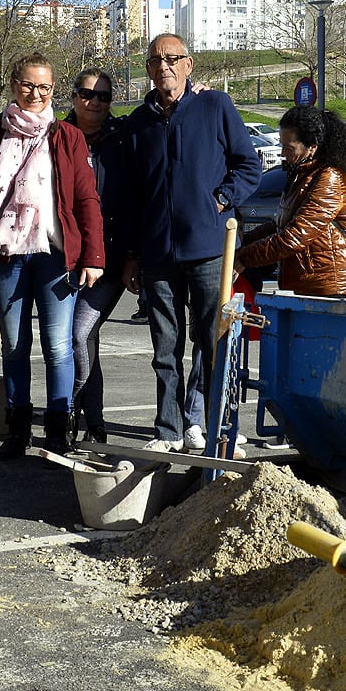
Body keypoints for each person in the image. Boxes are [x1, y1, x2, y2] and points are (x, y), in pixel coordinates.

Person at [0, 53, 105, 459]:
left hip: (55, 257)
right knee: (14, 346)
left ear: (53, 89)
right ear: (12, 84)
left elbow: (86, 199)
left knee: (58, 347)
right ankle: (17, 431)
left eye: (44, 87)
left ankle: (58, 431)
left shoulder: (67, 137)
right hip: (7, 255)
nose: (35, 94)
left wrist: (94, 256)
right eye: (27, 85)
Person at [121, 33, 262, 453]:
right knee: (165, 348)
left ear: (189, 64)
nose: (163, 65)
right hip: (157, 255)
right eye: (155, 60)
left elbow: (249, 166)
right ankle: (168, 430)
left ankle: (220, 429)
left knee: (214, 343)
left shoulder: (215, 106)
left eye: (172, 58)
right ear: (147, 69)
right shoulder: (137, 124)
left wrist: (220, 198)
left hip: (206, 250)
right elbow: (130, 195)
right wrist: (131, 254)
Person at [234, 106, 346, 296]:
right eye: (282, 146)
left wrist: (244, 257)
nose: (283, 153)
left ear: (312, 146)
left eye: (289, 148)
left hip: (328, 284)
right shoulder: (302, 174)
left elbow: (295, 236)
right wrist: (242, 242)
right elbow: (280, 225)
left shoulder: (329, 177)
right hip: (306, 280)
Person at [65, 69, 128, 444]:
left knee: (80, 333)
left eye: (103, 96)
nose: (95, 102)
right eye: (87, 93)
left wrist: (132, 255)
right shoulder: (56, 136)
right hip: (65, 256)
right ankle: (92, 424)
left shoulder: (122, 139)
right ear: (73, 96)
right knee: (75, 340)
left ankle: (81, 414)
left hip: (110, 258)